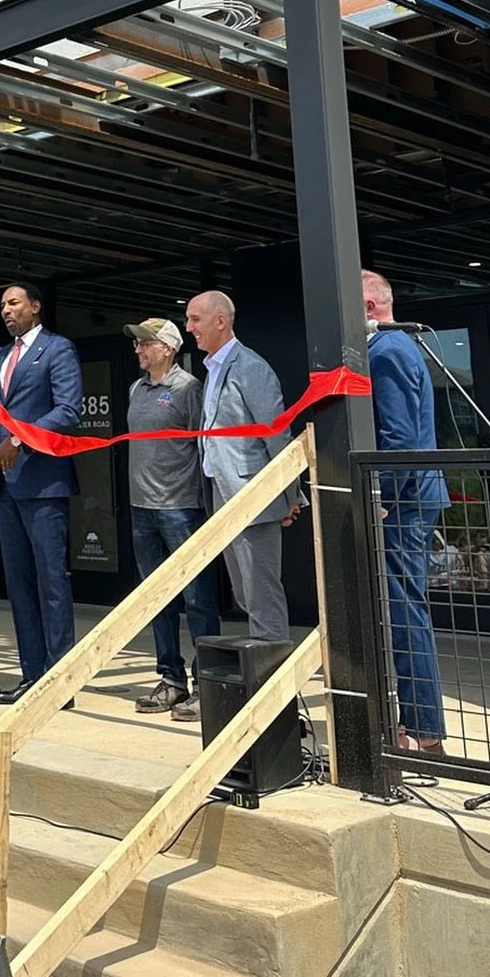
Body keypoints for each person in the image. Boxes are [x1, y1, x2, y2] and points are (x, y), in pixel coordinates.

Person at [0, 283, 83, 706]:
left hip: (43, 484)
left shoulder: (57, 350)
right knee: (20, 586)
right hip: (4, 486)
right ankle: (33, 676)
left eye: (14, 303)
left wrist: (20, 439)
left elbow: (68, 409)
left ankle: (60, 683)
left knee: (51, 583)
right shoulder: (1, 358)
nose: (6, 311)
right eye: (2, 306)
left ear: (36, 307)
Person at [363, 268, 449, 756]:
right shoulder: (394, 350)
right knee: (400, 609)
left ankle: (422, 730)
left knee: (403, 612)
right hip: (413, 499)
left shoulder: (389, 351)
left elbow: (398, 439)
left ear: (370, 308)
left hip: (406, 503)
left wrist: (385, 502)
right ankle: (419, 724)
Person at [185, 291, 299, 644]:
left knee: (261, 593)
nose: (189, 328)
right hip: (222, 492)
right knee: (245, 594)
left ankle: (276, 687)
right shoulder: (214, 368)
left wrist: (289, 494)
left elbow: (276, 433)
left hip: (254, 496)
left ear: (221, 320)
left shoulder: (250, 368)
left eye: (195, 319)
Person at [124, 318, 222, 723]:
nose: (138, 350)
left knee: (197, 597)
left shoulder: (188, 389)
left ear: (166, 348)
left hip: (181, 507)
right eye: (137, 345)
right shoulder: (136, 388)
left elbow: (206, 446)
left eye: (145, 344)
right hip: (141, 507)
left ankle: (207, 684)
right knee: (156, 598)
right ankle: (171, 678)